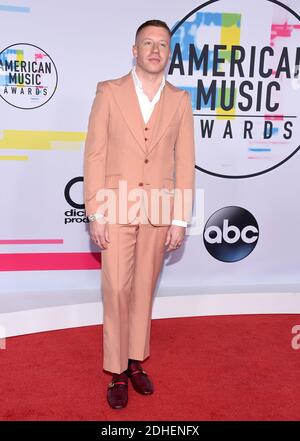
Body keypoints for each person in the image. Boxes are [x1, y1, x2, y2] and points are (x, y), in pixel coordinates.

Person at [83, 19, 195, 409]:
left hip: (159, 209)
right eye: (147, 43)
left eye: (162, 44)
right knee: (116, 288)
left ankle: (134, 362)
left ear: (168, 53)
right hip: (114, 205)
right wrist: (94, 211)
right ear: (134, 50)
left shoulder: (180, 100)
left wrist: (179, 219)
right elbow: (95, 155)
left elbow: (186, 163)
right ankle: (115, 370)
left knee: (144, 288)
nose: (154, 50)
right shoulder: (109, 92)